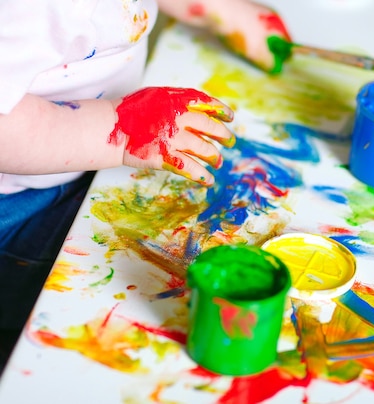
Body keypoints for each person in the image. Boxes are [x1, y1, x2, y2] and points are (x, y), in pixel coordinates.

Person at [0, 0, 292, 370]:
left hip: (73, 161)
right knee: (35, 316)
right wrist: (118, 131)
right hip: (22, 197)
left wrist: (224, 11)